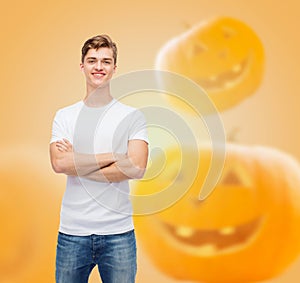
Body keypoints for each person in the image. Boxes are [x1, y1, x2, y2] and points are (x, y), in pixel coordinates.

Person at [49, 34, 149, 283]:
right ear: (82, 66)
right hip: (73, 233)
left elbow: (137, 166)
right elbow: (59, 163)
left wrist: (77, 163)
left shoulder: (132, 117)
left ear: (115, 68)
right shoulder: (65, 116)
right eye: (92, 60)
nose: (99, 67)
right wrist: (115, 157)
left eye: (106, 61)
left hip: (119, 234)